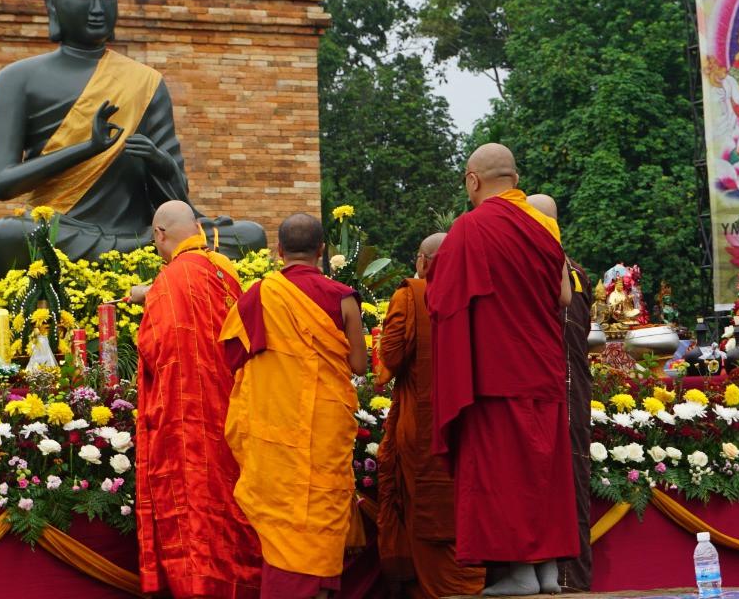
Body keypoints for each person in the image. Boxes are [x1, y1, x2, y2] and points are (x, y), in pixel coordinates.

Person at [0, 0, 263, 272]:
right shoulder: (18, 78)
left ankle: (133, 259)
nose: (98, 9)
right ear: (50, 0)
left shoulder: (145, 82)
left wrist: (159, 162)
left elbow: (176, 197)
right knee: (6, 235)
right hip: (62, 232)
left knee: (249, 236)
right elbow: (2, 183)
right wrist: (88, 147)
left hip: (142, 236)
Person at [426, 144, 575, 596]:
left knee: (503, 471)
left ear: (473, 180)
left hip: (496, 370)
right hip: (543, 368)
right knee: (542, 470)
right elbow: (564, 297)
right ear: (514, 177)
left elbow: (442, 300)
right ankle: (547, 570)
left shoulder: (471, 228)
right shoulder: (544, 226)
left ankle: (516, 573)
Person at [221, 213, 369, 598]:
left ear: (279, 251)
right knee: (321, 503)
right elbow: (358, 364)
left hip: (276, 430)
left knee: (283, 512)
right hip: (326, 425)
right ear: (322, 250)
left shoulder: (258, 295)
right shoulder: (344, 298)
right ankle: (319, 586)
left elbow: (232, 357)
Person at [133, 200, 263, 597]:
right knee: (228, 498)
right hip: (228, 407)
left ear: (159, 235)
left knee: (193, 501)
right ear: (199, 228)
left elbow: (155, 348)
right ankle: (240, 580)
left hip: (185, 414)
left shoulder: (169, 283)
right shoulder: (225, 270)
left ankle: (198, 584)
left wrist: (151, 294)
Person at [375, 232, 485, 598]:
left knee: (425, 506)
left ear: (423, 261)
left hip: (422, 423)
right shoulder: (480, 297)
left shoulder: (412, 296)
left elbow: (390, 357)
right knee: (465, 503)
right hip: (473, 423)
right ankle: (471, 581)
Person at [527, 194, 595, 592]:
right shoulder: (575, 271)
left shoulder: (553, 271)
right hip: (566, 386)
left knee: (565, 488)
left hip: (559, 388)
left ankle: (569, 583)